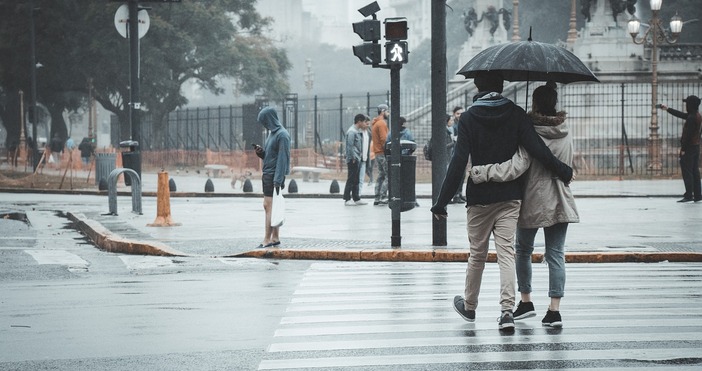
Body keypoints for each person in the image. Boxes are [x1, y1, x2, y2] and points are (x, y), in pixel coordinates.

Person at [430, 71, 573, 331]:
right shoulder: (517, 114)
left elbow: (458, 162)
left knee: (478, 255)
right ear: (502, 85)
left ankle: (470, 307)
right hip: (510, 196)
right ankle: (507, 312)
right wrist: (561, 169)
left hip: (479, 197)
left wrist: (441, 202)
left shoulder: (469, 117)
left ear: (477, 86)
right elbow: (537, 149)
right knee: (507, 253)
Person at [469, 82, 580, 328]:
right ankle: (554, 310)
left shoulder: (530, 131)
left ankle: (526, 301)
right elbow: (568, 162)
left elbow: (519, 164)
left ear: (535, 104)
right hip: (561, 198)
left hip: (533, 198)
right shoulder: (565, 129)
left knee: (522, 251)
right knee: (556, 255)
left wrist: (484, 173)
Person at [253, 107, 291, 248]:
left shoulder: (282, 135)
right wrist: (261, 153)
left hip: (274, 175)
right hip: (269, 174)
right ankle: (275, 237)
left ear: (270, 119)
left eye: (265, 121)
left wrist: (278, 180)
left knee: (268, 206)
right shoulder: (272, 134)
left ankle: (267, 239)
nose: (264, 125)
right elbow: (271, 156)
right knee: (272, 207)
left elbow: (282, 159)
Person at [660, 96, 702, 203]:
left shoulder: (692, 118)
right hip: (696, 147)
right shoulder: (696, 115)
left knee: (687, 172)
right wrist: (667, 109)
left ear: (691, 105)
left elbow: (688, 135)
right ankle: (697, 195)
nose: (686, 105)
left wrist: (683, 149)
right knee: (695, 171)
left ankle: (688, 195)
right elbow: (681, 115)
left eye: (687, 103)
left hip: (689, 148)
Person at [343, 114, 368, 206]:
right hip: (353, 159)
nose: (365, 124)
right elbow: (349, 146)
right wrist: (352, 157)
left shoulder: (356, 131)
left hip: (357, 158)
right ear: (359, 121)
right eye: (364, 122)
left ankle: (356, 198)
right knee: (351, 179)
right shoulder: (352, 132)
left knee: (356, 179)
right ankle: (347, 198)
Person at [371, 104, 390, 206]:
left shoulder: (375, 123)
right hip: (383, 153)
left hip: (377, 153)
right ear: (383, 111)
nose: (388, 113)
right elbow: (384, 139)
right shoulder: (382, 123)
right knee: (389, 175)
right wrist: (388, 151)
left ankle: (377, 197)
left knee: (381, 175)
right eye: (387, 111)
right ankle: (383, 197)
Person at [452, 106, 467, 204]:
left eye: (461, 113)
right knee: (457, 174)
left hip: (462, 151)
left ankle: (460, 194)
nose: (460, 115)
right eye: (458, 113)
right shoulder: (453, 125)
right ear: (454, 114)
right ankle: (456, 195)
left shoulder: (463, 123)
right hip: (455, 152)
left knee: (463, 174)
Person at [358, 115, 371, 196]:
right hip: (358, 159)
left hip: (364, 159)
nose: (368, 125)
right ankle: (354, 195)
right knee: (355, 179)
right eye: (366, 123)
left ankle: (358, 195)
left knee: (361, 179)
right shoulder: (358, 132)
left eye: (369, 124)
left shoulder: (369, 133)